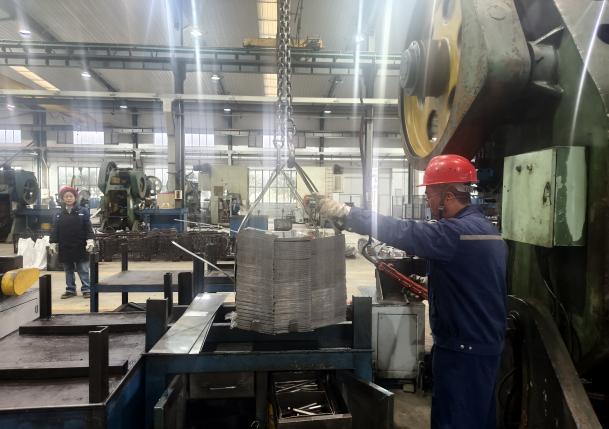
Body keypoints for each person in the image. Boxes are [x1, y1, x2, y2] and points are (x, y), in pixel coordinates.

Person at [309, 154, 507, 428]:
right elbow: (467, 273)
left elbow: (403, 231)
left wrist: (347, 213)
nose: (427, 202)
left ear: (448, 196)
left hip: (463, 351)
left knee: (456, 420)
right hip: (483, 345)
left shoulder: (455, 233)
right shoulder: (485, 228)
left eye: (430, 195)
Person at [49, 186, 96, 299]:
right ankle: (70, 290)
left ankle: (87, 289)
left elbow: (88, 227)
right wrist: (52, 242)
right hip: (65, 246)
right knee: (68, 269)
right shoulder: (58, 214)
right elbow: (55, 229)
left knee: (83, 269)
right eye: (66, 196)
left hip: (80, 245)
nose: (68, 198)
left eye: (71, 196)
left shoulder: (83, 211)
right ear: (62, 198)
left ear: (75, 197)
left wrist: (90, 240)